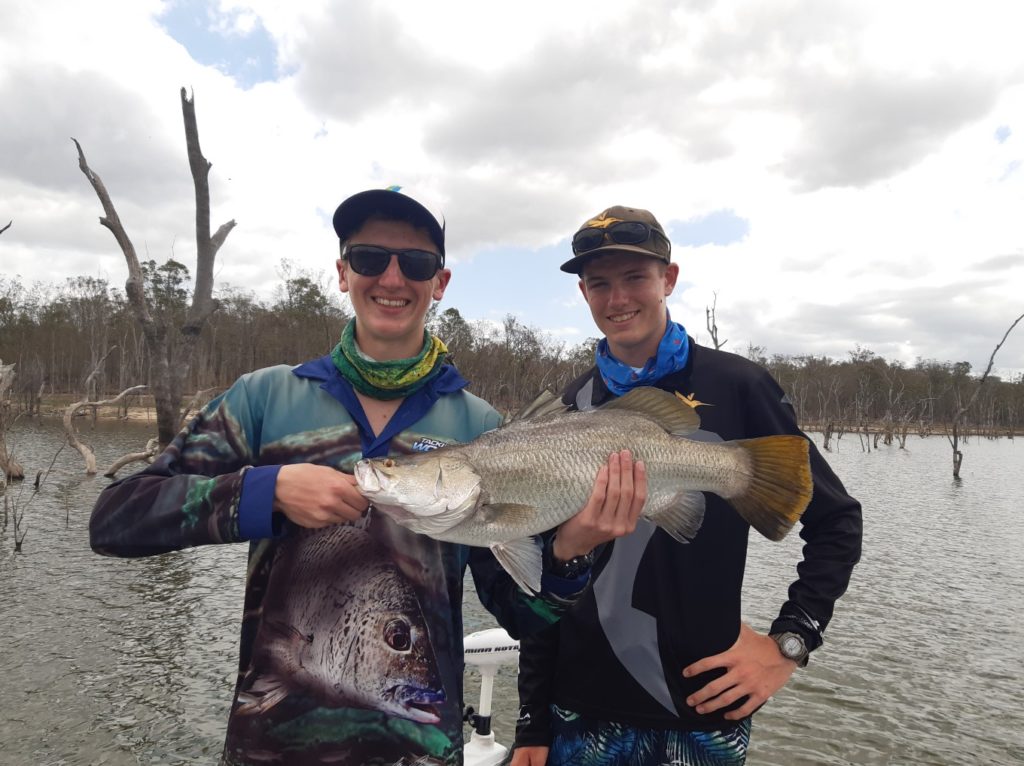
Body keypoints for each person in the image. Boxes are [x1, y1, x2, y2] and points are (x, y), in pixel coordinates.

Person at [88, 188, 644, 766]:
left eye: (417, 263)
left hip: (422, 747)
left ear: (441, 282)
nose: (392, 278)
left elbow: (521, 614)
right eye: (371, 258)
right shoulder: (264, 398)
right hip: (271, 746)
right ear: (342, 272)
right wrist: (265, 490)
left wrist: (569, 556)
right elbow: (117, 520)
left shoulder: (481, 428)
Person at [511, 206, 863, 766]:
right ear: (582, 294)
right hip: (578, 710)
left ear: (668, 279)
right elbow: (540, 576)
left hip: (704, 706)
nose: (617, 298)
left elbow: (837, 522)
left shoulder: (739, 386)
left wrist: (788, 645)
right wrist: (531, 721)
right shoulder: (567, 409)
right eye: (599, 283)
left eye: (635, 278)